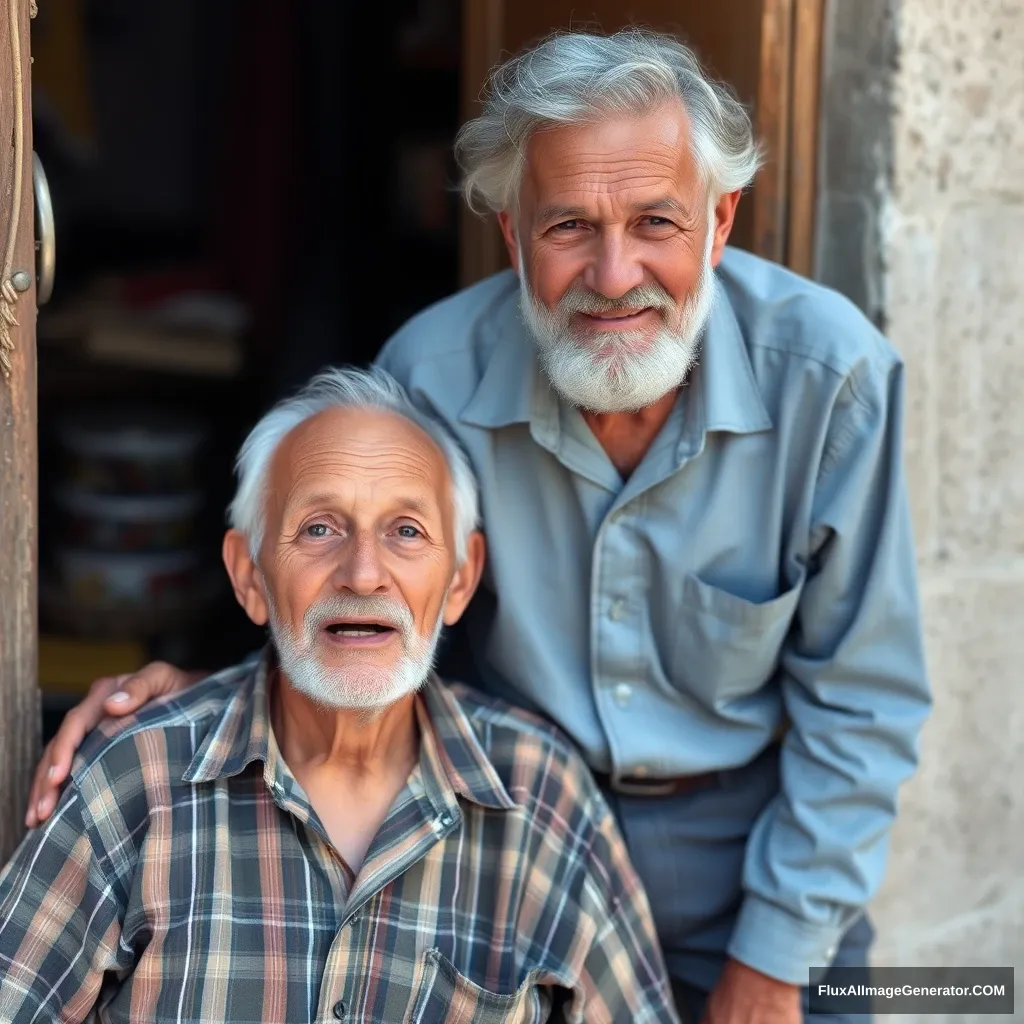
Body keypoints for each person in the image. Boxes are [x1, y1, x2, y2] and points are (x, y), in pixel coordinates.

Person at [27, 28, 932, 1024]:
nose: (615, 272)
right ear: (509, 232)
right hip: (506, 856)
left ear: (719, 223)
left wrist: (771, 961)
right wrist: (216, 695)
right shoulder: (432, 375)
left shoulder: (830, 379)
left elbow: (864, 702)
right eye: (568, 228)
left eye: (655, 222)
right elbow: (364, 585)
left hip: (765, 869)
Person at [1, 368, 679, 1024]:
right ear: (250, 577)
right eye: (320, 528)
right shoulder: (135, 780)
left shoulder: (543, 800)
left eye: (406, 531)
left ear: (461, 581)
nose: (362, 573)